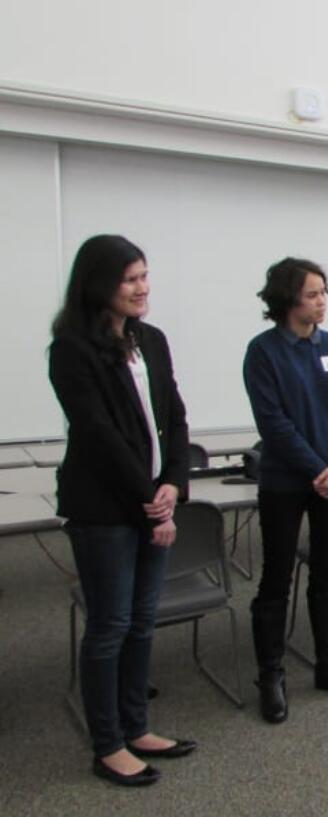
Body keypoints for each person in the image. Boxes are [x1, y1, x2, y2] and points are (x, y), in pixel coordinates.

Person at [49, 235, 196, 787]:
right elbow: (98, 434)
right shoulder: (71, 348)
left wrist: (175, 485)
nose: (142, 287)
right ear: (98, 284)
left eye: (145, 275)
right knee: (109, 625)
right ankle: (107, 744)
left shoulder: (151, 340)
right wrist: (152, 503)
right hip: (104, 508)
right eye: (129, 278)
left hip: (154, 499)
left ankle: (137, 727)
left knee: (140, 623)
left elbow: (175, 419)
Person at [243, 257, 328, 725]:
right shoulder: (263, 352)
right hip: (284, 482)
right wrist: (321, 469)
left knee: (327, 574)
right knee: (277, 578)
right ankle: (270, 676)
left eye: (324, 293)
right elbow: (272, 423)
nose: (322, 302)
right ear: (287, 300)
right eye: (313, 294)